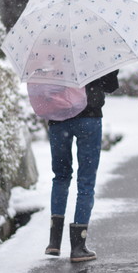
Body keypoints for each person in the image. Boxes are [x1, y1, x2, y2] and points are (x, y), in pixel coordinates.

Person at [45, 70, 119, 262]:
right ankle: (78, 246)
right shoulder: (96, 50)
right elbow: (111, 86)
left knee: (60, 177)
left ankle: (54, 242)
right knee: (86, 182)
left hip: (58, 119)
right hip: (89, 117)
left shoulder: (51, 51)